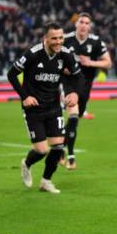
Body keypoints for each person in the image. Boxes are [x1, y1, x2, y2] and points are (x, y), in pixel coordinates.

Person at [7, 22, 83, 194]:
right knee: (41, 150)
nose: (58, 41)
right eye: (54, 38)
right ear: (45, 39)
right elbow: (11, 74)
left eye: (61, 38)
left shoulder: (66, 55)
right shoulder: (33, 54)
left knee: (57, 147)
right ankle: (26, 164)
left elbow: (78, 77)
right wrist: (25, 96)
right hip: (33, 109)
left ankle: (45, 181)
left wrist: (75, 94)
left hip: (54, 107)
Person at [60, 13, 112, 170]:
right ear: (76, 24)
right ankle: (70, 156)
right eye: (81, 22)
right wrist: (63, 68)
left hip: (85, 85)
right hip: (69, 83)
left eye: (87, 23)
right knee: (74, 116)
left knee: (75, 119)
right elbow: (54, 57)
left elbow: (108, 63)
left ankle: (60, 146)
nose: (83, 25)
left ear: (90, 26)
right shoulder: (65, 39)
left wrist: (90, 62)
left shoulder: (95, 42)